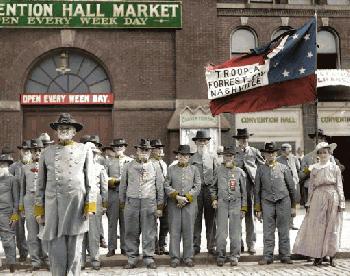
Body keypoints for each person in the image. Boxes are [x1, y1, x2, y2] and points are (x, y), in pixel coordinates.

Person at [34, 113, 96, 276]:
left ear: (74, 131)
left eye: (68, 128)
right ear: (56, 131)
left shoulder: (84, 150)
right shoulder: (46, 152)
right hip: (53, 206)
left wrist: (90, 206)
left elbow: (90, 181)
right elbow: (40, 184)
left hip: (77, 205)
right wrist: (40, 211)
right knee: (56, 249)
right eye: (61, 128)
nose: (64, 130)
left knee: (75, 249)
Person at [293, 142, 345, 267]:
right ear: (318, 154)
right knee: (318, 226)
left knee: (332, 226)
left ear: (329, 153)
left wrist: (341, 201)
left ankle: (331, 255)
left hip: (332, 196)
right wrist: (309, 202)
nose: (323, 155)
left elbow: (339, 185)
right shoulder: (314, 168)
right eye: (320, 153)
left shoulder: (334, 168)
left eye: (325, 152)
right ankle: (318, 256)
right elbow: (311, 186)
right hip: (318, 197)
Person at [119, 139, 164, 269]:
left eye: (147, 150)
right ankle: (132, 257)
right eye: (141, 150)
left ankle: (148, 257)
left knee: (149, 231)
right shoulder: (128, 166)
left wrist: (160, 206)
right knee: (131, 231)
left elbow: (160, 187)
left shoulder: (156, 166)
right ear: (137, 151)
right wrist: (123, 203)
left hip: (149, 203)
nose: (144, 152)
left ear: (150, 152)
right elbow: (123, 185)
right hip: (131, 202)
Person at [254, 142, 296, 265]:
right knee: (268, 231)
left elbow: (291, 188)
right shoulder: (260, 169)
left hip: (283, 201)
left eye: (272, 153)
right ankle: (267, 256)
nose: (270, 155)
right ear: (265, 155)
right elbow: (257, 190)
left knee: (284, 230)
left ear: (276, 154)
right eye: (268, 153)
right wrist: (258, 209)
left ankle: (285, 255)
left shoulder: (283, 168)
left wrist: (293, 206)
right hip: (267, 203)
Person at [210, 146, 247, 267]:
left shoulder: (239, 172)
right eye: (226, 156)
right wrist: (214, 199)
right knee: (221, 232)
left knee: (235, 232)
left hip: (236, 203)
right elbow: (213, 187)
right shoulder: (218, 171)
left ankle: (234, 256)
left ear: (234, 157)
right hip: (222, 203)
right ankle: (221, 255)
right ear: (223, 157)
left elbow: (244, 192)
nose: (228, 158)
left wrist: (243, 207)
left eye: (230, 156)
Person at [164, 145, 201, 268]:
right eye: (180, 155)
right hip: (174, 204)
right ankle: (174, 257)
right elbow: (166, 185)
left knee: (188, 231)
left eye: (185, 155)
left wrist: (187, 198)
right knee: (174, 231)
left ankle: (188, 257)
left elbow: (197, 186)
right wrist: (176, 196)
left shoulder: (194, 169)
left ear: (189, 157)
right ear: (177, 156)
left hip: (189, 205)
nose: (183, 157)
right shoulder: (171, 169)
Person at [233, 128, 264, 254]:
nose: (243, 140)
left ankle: (251, 243)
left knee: (250, 217)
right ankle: (238, 243)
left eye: (245, 138)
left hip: (250, 187)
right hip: (237, 187)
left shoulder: (254, 151)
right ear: (238, 140)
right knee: (237, 216)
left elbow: (262, 166)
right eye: (241, 139)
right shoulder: (233, 152)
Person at [20, 139, 49, 271]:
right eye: (34, 150)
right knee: (32, 233)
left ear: (43, 151)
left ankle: (47, 258)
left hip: (43, 201)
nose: (37, 153)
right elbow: (22, 189)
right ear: (30, 152)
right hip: (29, 200)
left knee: (44, 231)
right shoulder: (25, 168)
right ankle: (35, 261)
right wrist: (21, 206)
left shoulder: (48, 167)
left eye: (39, 150)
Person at [81, 142, 108, 270]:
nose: (90, 156)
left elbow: (104, 187)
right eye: (88, 153)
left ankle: (95, 258)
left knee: (94, 232)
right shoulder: (79, 167)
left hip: (95, 199)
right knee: (80, 231)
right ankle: (80, 260)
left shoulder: (99, 168)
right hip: (80, 200)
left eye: (93, 153)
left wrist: (104, 204)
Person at [105, 138, 133, 256]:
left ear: (125, 148)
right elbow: (104, 178)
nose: (118, 149)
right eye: (116, 147)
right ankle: (111, 248)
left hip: (126, 195)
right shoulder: (108, 161)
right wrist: (115, 181)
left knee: (125, 222)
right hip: (113, 193)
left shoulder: (130, 161)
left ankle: (124, 247)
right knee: (112, 222)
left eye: (121, 147)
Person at [190, 130, 216, 255]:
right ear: (196, 142)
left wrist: (215, 194)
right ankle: (196, 245)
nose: (202, 143)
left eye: (205, 141)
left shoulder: (213, 157)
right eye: (200, 141)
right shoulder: (191, 158)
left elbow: (216, 175)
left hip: (210, 190)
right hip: (197, 191)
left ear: (208, 142)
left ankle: (211, 246)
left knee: (211, 218)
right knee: (196, 218)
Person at [299, 129, 334, 206]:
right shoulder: (307, 157)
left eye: (321, 139)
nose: (318, 141)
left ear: (324, 140)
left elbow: (335, 174)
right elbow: (301, 175)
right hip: (310, 191)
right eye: (316, 139)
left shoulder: (330, 157)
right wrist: (309, 169)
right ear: (313, 141)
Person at [9, 141, 30, 263]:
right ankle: (23, 253)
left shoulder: (35, 166)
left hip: (31, 202)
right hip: (17, 203)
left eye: (28, 150)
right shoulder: (13, 167)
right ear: (20, 152)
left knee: (35, 230)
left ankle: (38, 255)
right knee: (19, 230)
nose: (26, 152)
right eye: (24, 150)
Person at [0, 153, 20, 273]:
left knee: (8, 240)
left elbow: (16, 199)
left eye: (4, 165)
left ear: (8, 166)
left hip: (7, 214)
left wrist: (15, 214)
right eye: (0, 164)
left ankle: (12, 265)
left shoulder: (13, 179)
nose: (1, 167)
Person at [150, 139, 169, 255]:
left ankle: (162, 245)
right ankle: (154, 246)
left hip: (165, 196)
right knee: (152, 223)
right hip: (153, 196)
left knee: (165, 223)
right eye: (157, 148)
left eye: (160, 148)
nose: (159, 150)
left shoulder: (164, 163)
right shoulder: (149, 163)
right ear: (152, 150)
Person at [277, 143, 301, 230]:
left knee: (293, 203)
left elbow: (298, 168)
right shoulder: (278, 160)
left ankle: (291, 223)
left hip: (293, 183)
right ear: (283, 150)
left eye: (290, 149)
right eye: (288, 149)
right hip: (282, 184)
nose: (290, 151)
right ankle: (282, 224)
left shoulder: (294, 158)